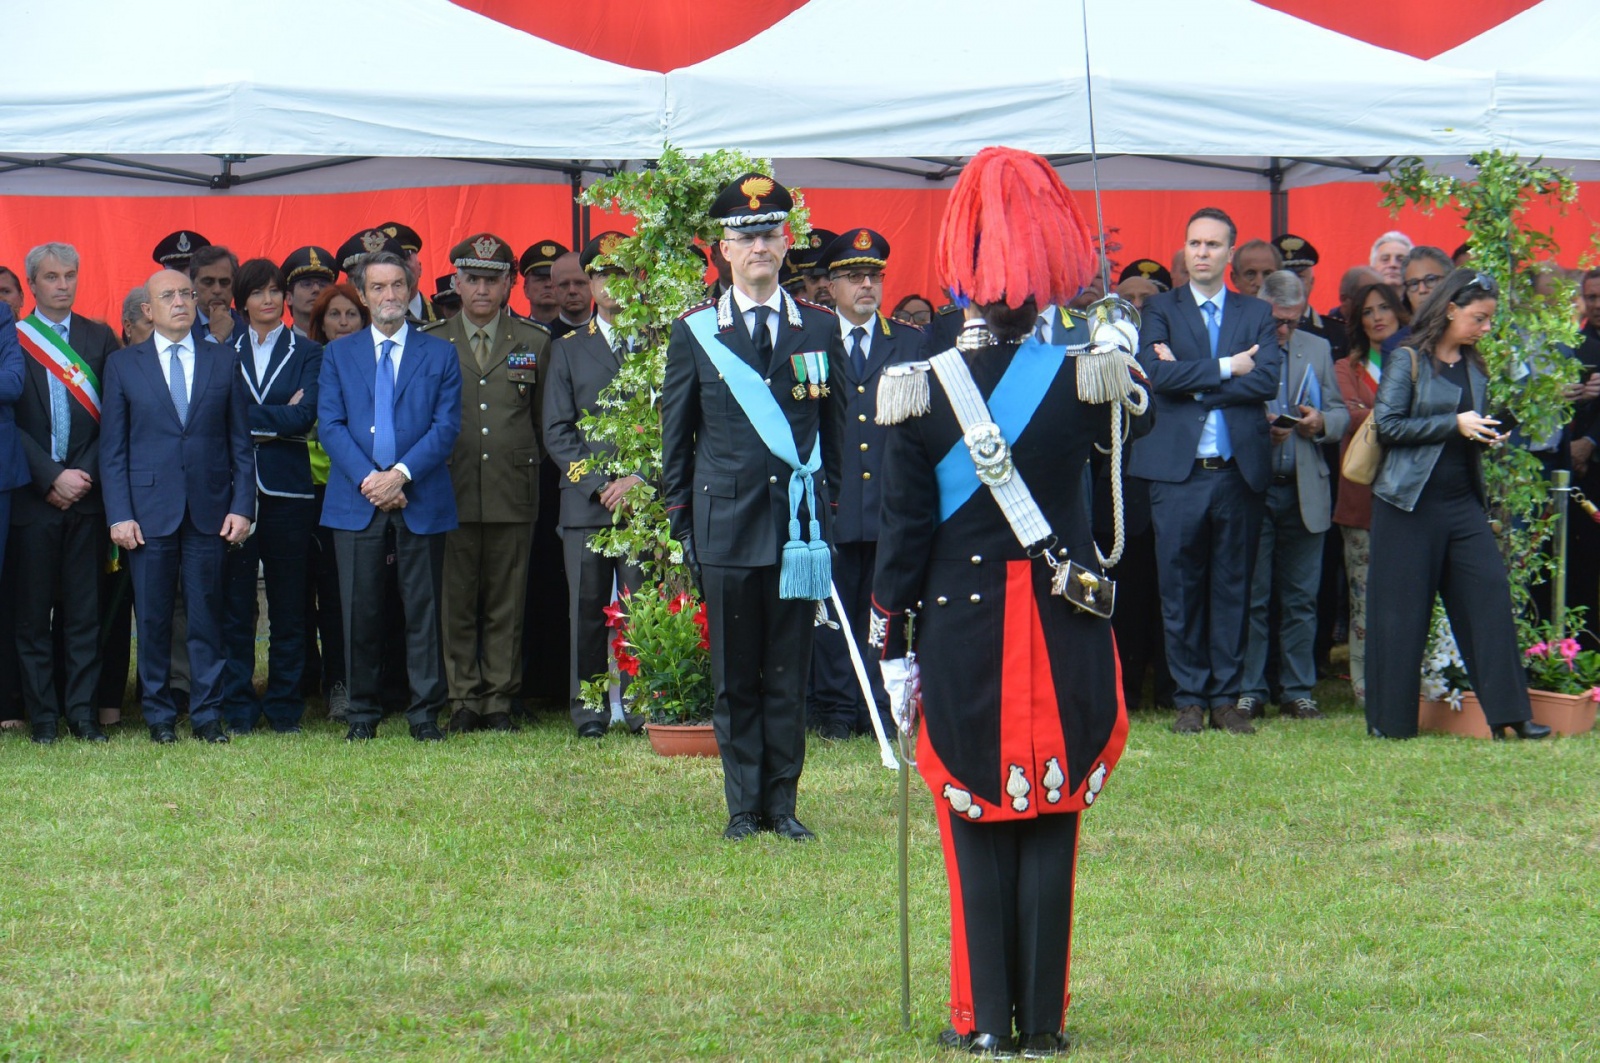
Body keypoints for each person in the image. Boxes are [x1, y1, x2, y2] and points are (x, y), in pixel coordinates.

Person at [871, 145, 1149, 1057]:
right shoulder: (1088, 373)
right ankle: (1044, 1022)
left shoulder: (916, 386)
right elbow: (1110, 528)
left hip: (960, 628)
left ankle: (984, 1021)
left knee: (972, 813)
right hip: (1065, 618)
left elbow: (903, 536)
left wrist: (889, 634)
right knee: (1053, 814)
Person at [660, 172, 846, 841]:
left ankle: (783, 803)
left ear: (787, 241)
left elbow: (842, 436)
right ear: (724, 249)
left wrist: (832, 512)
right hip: (726, 528)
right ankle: (743, 806)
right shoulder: (696, 334)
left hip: (797, 533)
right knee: (735, 675)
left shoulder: (820, 331)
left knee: (787, 673)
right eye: (746, 236)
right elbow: (675, 440)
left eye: (770, 233)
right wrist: (685, 525)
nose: (760, 245)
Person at [1365, 270, 1548, 740]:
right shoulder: (1406, 359)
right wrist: (1454, 423)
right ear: (1450, 309)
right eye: (1478, 318)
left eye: (1489, 320)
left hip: (1461, 502)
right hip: (1406, 505)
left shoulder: (1476, 367)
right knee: (1400, 616)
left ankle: (1511, 715)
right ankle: (1391, 724)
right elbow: (1387, 426)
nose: (1485, 328)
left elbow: (1463, 432)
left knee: (1488, 601)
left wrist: (1485, 433)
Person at [1131, 207, 1282, 735]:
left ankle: (1225, 699)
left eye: (1213, 245)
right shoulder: (1161, 308)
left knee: (1233, 587)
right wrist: (1224, 368)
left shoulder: (1255, 313)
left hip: (1238, 471)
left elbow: (1265, 380)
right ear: (1186, 248)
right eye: (1194, 243)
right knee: (1179, 588)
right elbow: (1152, 373)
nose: (1202, 252)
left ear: (1230, 254)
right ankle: (1188, 698)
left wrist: (1189, 380)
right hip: (1178, 473)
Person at [101, 269, 255, 743]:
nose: (181, 302)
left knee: (207, 613)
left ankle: (208, 715)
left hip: (210, 508)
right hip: (148, 511)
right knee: (151, 616)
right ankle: (159, 715)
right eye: (167, 296)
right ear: (148, 310)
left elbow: (240, 444)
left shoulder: (222, 359)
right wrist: (119, 514)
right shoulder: (124, 366)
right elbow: (114, 450)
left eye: (186, 294)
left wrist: (243, 505)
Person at [317, 250, 461, 742]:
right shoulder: (338, 353)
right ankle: (361, 714)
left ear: (410, 288)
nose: (390, 296)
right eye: (378, 287)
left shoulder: (439, 352)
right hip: (356, 500)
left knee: (424, 612)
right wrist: (372, 482)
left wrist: (398, 475)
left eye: (398, 285)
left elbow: (446, 428)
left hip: (420, 497)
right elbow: (330, 427)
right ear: (362, 294)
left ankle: (424, 714)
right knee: (359, 611)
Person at [421, 233, 551, 734]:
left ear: (508, 285)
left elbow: (544, 425)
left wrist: (520, 462)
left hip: (511, 488)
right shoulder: (432, 340)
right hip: (447, 488)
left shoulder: (535, 341)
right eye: (472, 278)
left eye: (491, 280)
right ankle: (462, 698)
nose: (481, 289)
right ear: (456, 280)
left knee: (506, 601)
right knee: (455, 602)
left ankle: (499, 697)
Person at [807, 227, 920, 741]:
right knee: (832, 617)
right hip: (832, 499)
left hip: (890, 502)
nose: (866, 285)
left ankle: (879, 704)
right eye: (854, 277)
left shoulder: (911, 340)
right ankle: (834, 709)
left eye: (873, 275)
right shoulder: (811, 339)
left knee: (882, 610)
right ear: (830, 286)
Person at [7, 242, 119, 743]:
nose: (62, 286)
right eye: (51, 277)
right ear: (32, 284)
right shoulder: (12, 338)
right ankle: (44, 718)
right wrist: (50, 475)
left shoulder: (100, 337)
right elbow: (6, 421)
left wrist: (81, 475)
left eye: (70, 276)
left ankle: (82, 714)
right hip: (33, 498)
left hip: (88, 496)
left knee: (83, 614)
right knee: (31, 615)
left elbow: (115, 420)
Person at [544, 231, 647, 737]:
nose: (612, 284)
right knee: (585, 610)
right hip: (586, 503)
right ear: (590, 282)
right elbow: (558, 433)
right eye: (603, 274)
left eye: (623, 271)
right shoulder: (566, 349)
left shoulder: (658, 341)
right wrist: (601, 484)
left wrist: (639, 480)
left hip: (644, 502)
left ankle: (643, 704)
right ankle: (589, 710)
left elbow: (675, 424)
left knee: (639, 607)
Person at [1239, 271, 1348, 721]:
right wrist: (1258, 430)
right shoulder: (1244, 345)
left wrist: (1319, 422)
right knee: (1254, 596)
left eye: (1293, 320)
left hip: (1305, 488)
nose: (1284, 330)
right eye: (1278, 321)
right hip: (1253, 489)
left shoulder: (1318, 349)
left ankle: (1298, 689)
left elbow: (1341, 413)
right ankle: (1250, 689)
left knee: (1302, 597)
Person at [220, 258, 322, 734]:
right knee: (237, 606)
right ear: (241, 300)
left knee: (288, 605)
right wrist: (276, 415)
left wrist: (246, 418)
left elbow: (307, 418)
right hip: (234, 493)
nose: (269, 299)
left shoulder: (308, 352)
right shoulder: (221, 349)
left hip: (290, 494)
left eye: (275, 290)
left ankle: (284, 705)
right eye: (258, 291)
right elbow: (215, 416)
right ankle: (238, 706)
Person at [1332, 281, 1410, 705]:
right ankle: (1365, 689)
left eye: (1385, 308)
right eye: (1368, 311)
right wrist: (1400, 416)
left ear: (1400, 312)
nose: (1377, 317)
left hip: (1411, 497)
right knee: (1363, 599)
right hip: (1360, 498)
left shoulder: (1417, 359)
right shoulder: (1347, 367)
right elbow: (1349, 417)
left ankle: (1406, 683)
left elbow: (1372, 418)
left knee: (1408, 597)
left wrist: (1376, 415)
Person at [303, 282, 371, 722]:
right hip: (315, 490)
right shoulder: (309, 360)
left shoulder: (373, 361)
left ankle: (371, 681)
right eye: (334, 315)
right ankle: (337, 685)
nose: (343, 322)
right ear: (320, 322)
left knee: (361, 594)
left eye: (351, 314)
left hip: (365, 487)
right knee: (329, 592)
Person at [376, 221, 439, 324]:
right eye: (388, 260)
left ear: (420, 267)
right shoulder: (362, 320)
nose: (398, 266)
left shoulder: (443, 316)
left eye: (405, 256)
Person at [188, 245, 242, 344]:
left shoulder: (251, 326)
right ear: (192, 284)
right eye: (208, 282)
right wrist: (216, 336)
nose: (217, 290)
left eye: (224, 282)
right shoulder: (179, 327)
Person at [281, 245, 337, 339]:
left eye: (323, 284)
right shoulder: (277, 347)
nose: (316, 289)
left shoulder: (342, 345)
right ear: (289, 297)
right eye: (306, 284)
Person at [518, 239, 568, 326]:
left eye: (554, 279)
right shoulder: (515, 335)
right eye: (540, 279)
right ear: (526, 289)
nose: (548, 284)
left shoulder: (582, 336)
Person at [547, 252, 594, 338]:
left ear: (593, 285)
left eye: (580, 283)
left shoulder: (609, 334)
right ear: (553, 289)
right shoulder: (545, 337)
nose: (572, 291)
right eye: (564, 284)